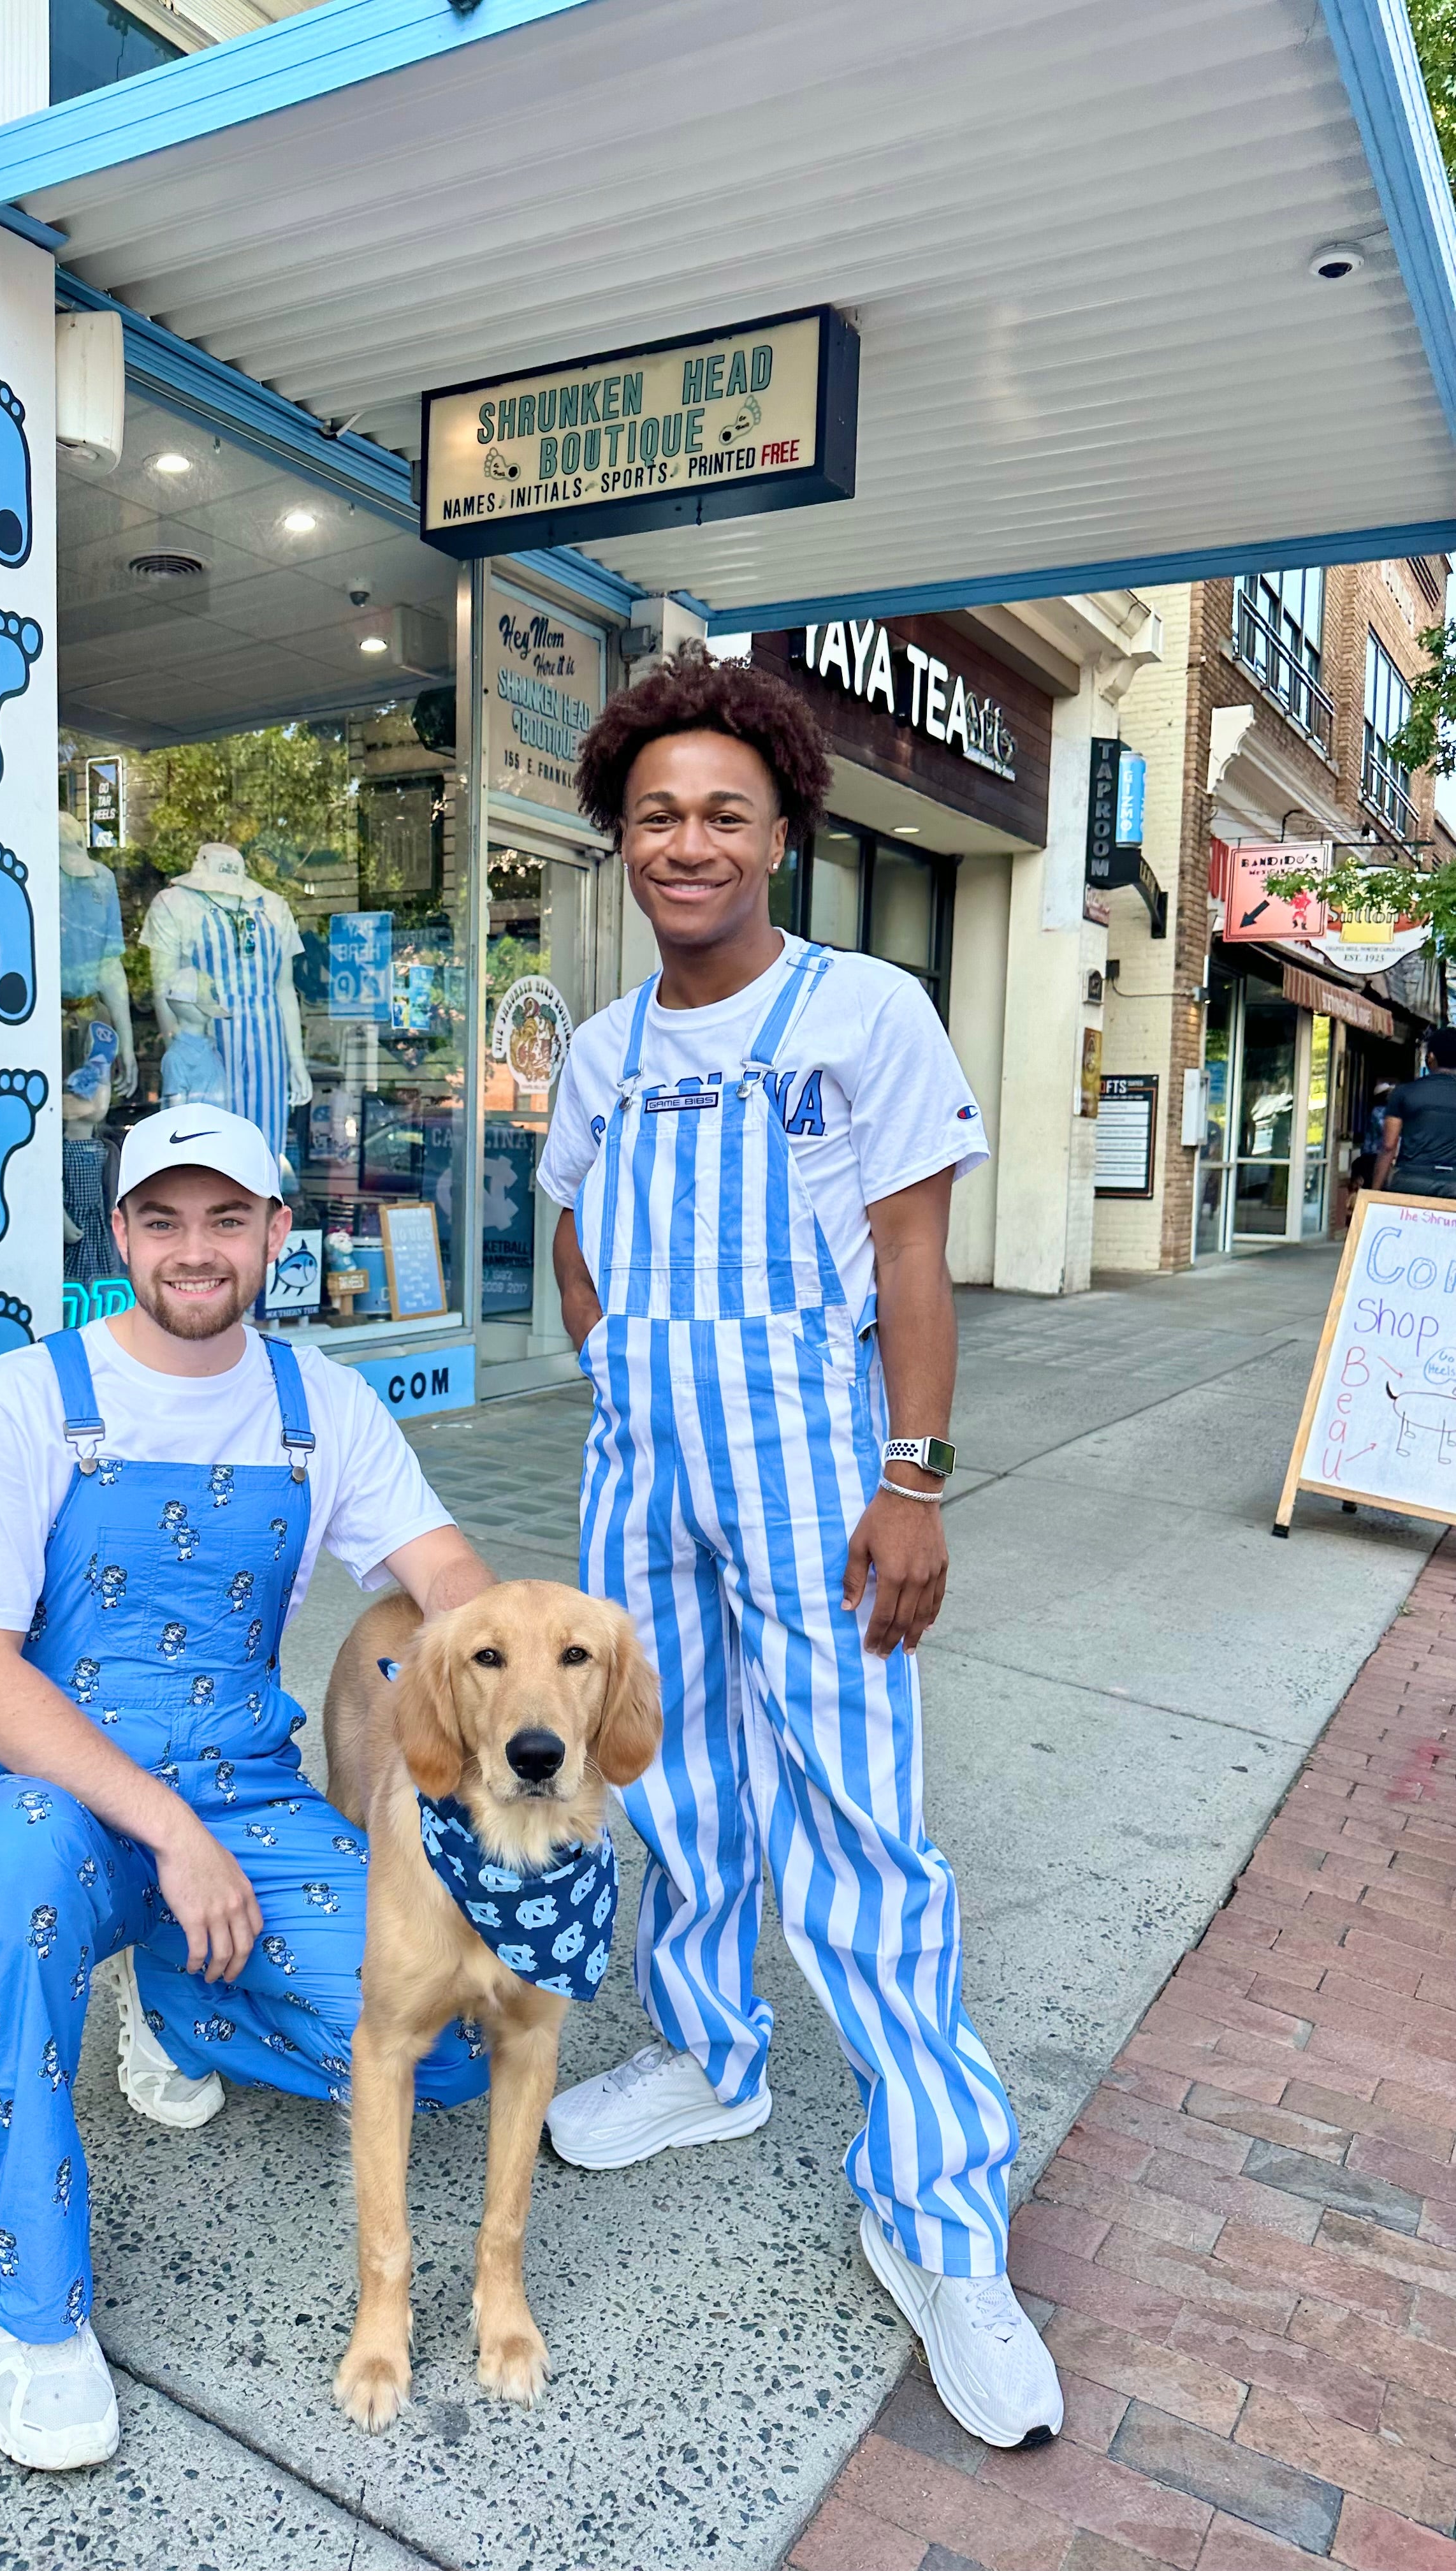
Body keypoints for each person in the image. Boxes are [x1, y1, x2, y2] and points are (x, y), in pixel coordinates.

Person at [535, 646, 1061, 2450]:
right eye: (658, 815)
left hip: (809, 1462)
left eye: (724, 816)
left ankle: (941, 2221)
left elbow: (913, 1265)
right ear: (623, 836)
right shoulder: (603, 1051)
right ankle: (710, 2054)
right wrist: (617, 1377)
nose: (690, 843)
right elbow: (576, 1239)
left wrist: (909, 1479)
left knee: (858, 1817)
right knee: (668, 1781)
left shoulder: (868, 1015)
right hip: (644, 1469)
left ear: (779, 833)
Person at [0, 1104, 493, 2471]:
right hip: (43, 1795)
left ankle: (173, 1998)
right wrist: (164, 1830)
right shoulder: (24, 1398)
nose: (194, 1249)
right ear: (120, 1237)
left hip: (247, 1800)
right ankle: (32, 2306)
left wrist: (519, 1694)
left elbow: (445, 1575)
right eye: (161, 1219)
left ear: (278, 1235)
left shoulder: (319, 1402)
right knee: (26, 1892)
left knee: (448, 2045)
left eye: (228, 1218)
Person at [1374, 1033, 1456, 1196]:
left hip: (1410, 1181)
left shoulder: (1404, 1093)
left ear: (1431, 1057)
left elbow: (1389, 1146)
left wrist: (1374, 1192)